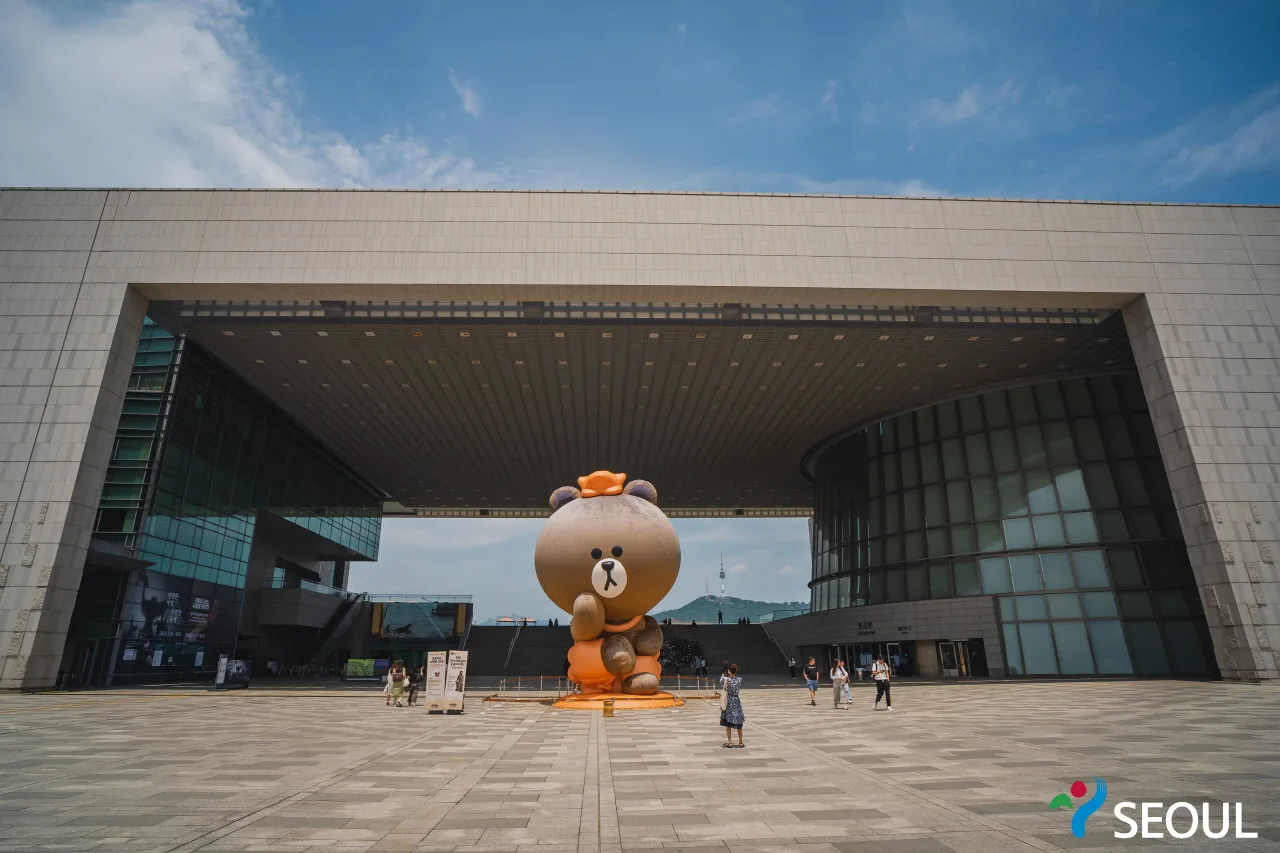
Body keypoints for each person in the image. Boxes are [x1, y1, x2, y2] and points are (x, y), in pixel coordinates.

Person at [719, 663, 745, 748]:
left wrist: (723, 675)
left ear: (729, 671)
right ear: (736, 670)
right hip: (736, 701)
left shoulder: (726, 679)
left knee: (728, 722)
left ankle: (729, 741)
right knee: (739, 722)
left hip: (729, 701)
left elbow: (721, 681)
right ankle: (740, 741)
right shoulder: (739, 679)